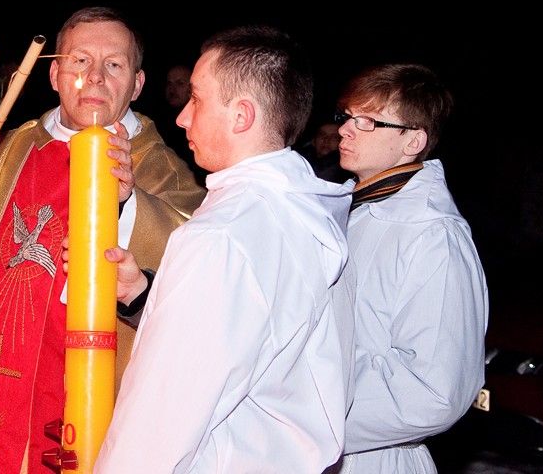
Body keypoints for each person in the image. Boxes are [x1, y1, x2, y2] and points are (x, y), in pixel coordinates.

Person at [0, 7, 206, 474]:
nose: (95, 76)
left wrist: (130, 204)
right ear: (53, 74)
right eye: (80, 61)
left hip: (74, 393)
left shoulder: (160, 169)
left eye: (114, 64)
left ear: (137, 84)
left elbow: (192, 257)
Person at [94, 25, 352, 473]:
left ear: (241, 116)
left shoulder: (223, 236)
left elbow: (162, 417)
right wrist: (143, 294)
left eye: (196, 99)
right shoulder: (305, 214)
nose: (182, 117)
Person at [333, 63, 488, 473]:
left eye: (368, 121)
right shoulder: (349, 209)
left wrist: (304, 413)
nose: (345, 129)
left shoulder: (433, 234)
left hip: (375, 458)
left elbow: (434, 390)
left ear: (413, 141)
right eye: (347, 117)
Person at [298, 119, 351, 183]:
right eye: (322, 134)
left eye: (334, 137)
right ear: (313, 140)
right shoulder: (299, 160)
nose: (326, 140)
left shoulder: (345, 171)